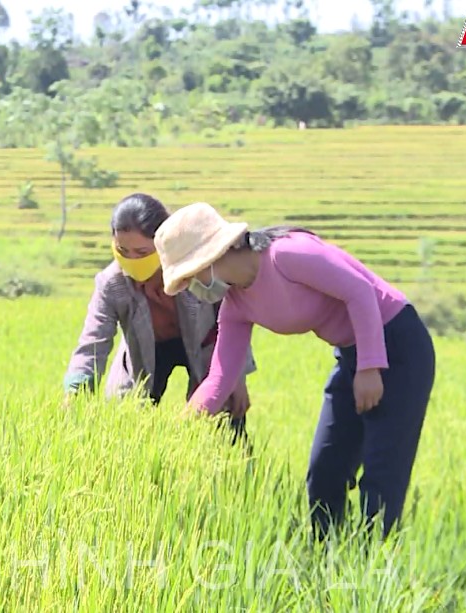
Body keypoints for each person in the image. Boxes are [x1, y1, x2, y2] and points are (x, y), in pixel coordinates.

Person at [153, 202, 436, 539]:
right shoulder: (236, 306)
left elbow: (360, 291)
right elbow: (219, 377)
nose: (194, 288)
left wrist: (370, 366)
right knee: (325, 473)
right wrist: (180, 428)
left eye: (191, 276)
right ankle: (329, 561)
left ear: (213, 256)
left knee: (381, 478)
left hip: (397, 345)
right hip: (351, 354)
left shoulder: (286, 255)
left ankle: (373, 570)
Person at [63, 193, 256, 418]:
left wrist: (236, 376)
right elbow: (93, 340)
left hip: (206, 345)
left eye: (142, 253)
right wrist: (76, 390)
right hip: (144, 351)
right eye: (123, 251)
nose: (132, 260)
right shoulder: (111, 283)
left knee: (222, 416)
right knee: (125, 417)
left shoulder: (195, 268)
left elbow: (234, 316)